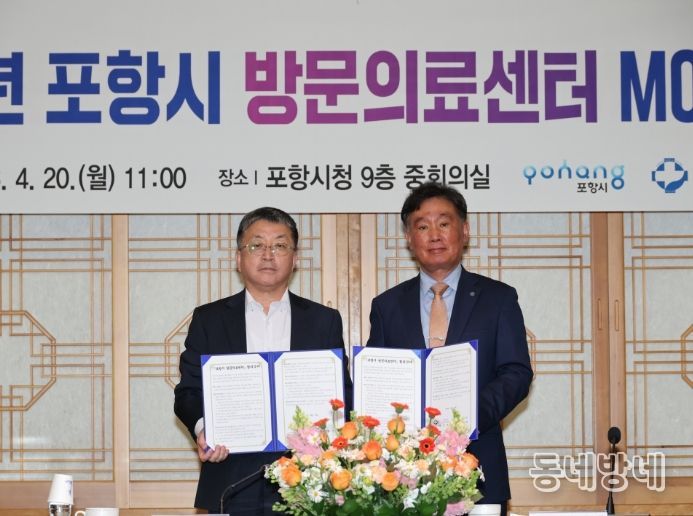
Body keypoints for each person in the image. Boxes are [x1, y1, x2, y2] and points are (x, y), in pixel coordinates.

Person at [367, 182, 533, 515]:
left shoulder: (498, 299)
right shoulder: (387, 306)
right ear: (409, 238)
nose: (434, 235)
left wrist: (467, 417)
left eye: (444, 223)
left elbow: (516, 372)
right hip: (404, 474)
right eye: (422, 227)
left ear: (464, 230)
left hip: (479, 465)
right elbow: (375, 380)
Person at [174, 207, 348, 515]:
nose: (268, 254)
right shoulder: (209, 319)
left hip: (307, 478)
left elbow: (342, 395)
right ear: (239, 258)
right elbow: (188, 392)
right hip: (230, 475)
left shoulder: (324, 321)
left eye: (280, 245)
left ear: (295, 259)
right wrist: (204, 429)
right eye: (257, 245)